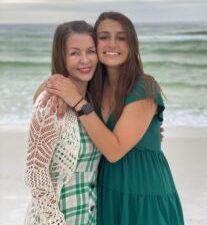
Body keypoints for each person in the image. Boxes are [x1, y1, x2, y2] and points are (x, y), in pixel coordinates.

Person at [38, 11, 184, 225]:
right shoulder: (94, 85)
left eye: (121, 37)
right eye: (104, 36)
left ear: (132, 44)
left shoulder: (144, 86)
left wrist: (78, 102)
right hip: (105, 192)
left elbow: (114, 151)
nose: (112, 44)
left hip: (144, 194)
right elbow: (38, 96)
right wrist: (57, 90)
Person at [24, 20, 102, 225]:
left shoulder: (94, 102)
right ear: (62, 57)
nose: (85, 60)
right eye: (74, 53)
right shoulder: (50, 102)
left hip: (90, 217)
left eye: (90, 51)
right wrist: (54, 221)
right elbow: (35, 172)